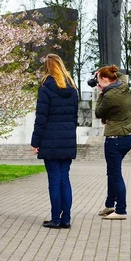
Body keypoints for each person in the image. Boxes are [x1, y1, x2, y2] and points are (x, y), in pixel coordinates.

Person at [31, 54, 78, 229]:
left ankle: (55, 218)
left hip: (50, 140)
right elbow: (74, 117)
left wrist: (35, 142)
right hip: (67, 139)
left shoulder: (45, 88)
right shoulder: (72, 87)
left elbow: (41, 118)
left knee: (54, 178)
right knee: (64, 178)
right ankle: (66, 218)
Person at [94, 64, 131, 220]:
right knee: (112, 172)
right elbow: (119, 75)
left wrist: (101, 92)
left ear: (104, 79)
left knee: (115, 174)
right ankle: (110, 204)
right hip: (127, 137)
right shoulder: (123, 85)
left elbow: (98, 113)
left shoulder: (110, 95)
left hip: (115, 138)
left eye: (99, 79)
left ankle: (121, 210)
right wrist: (103, 74)